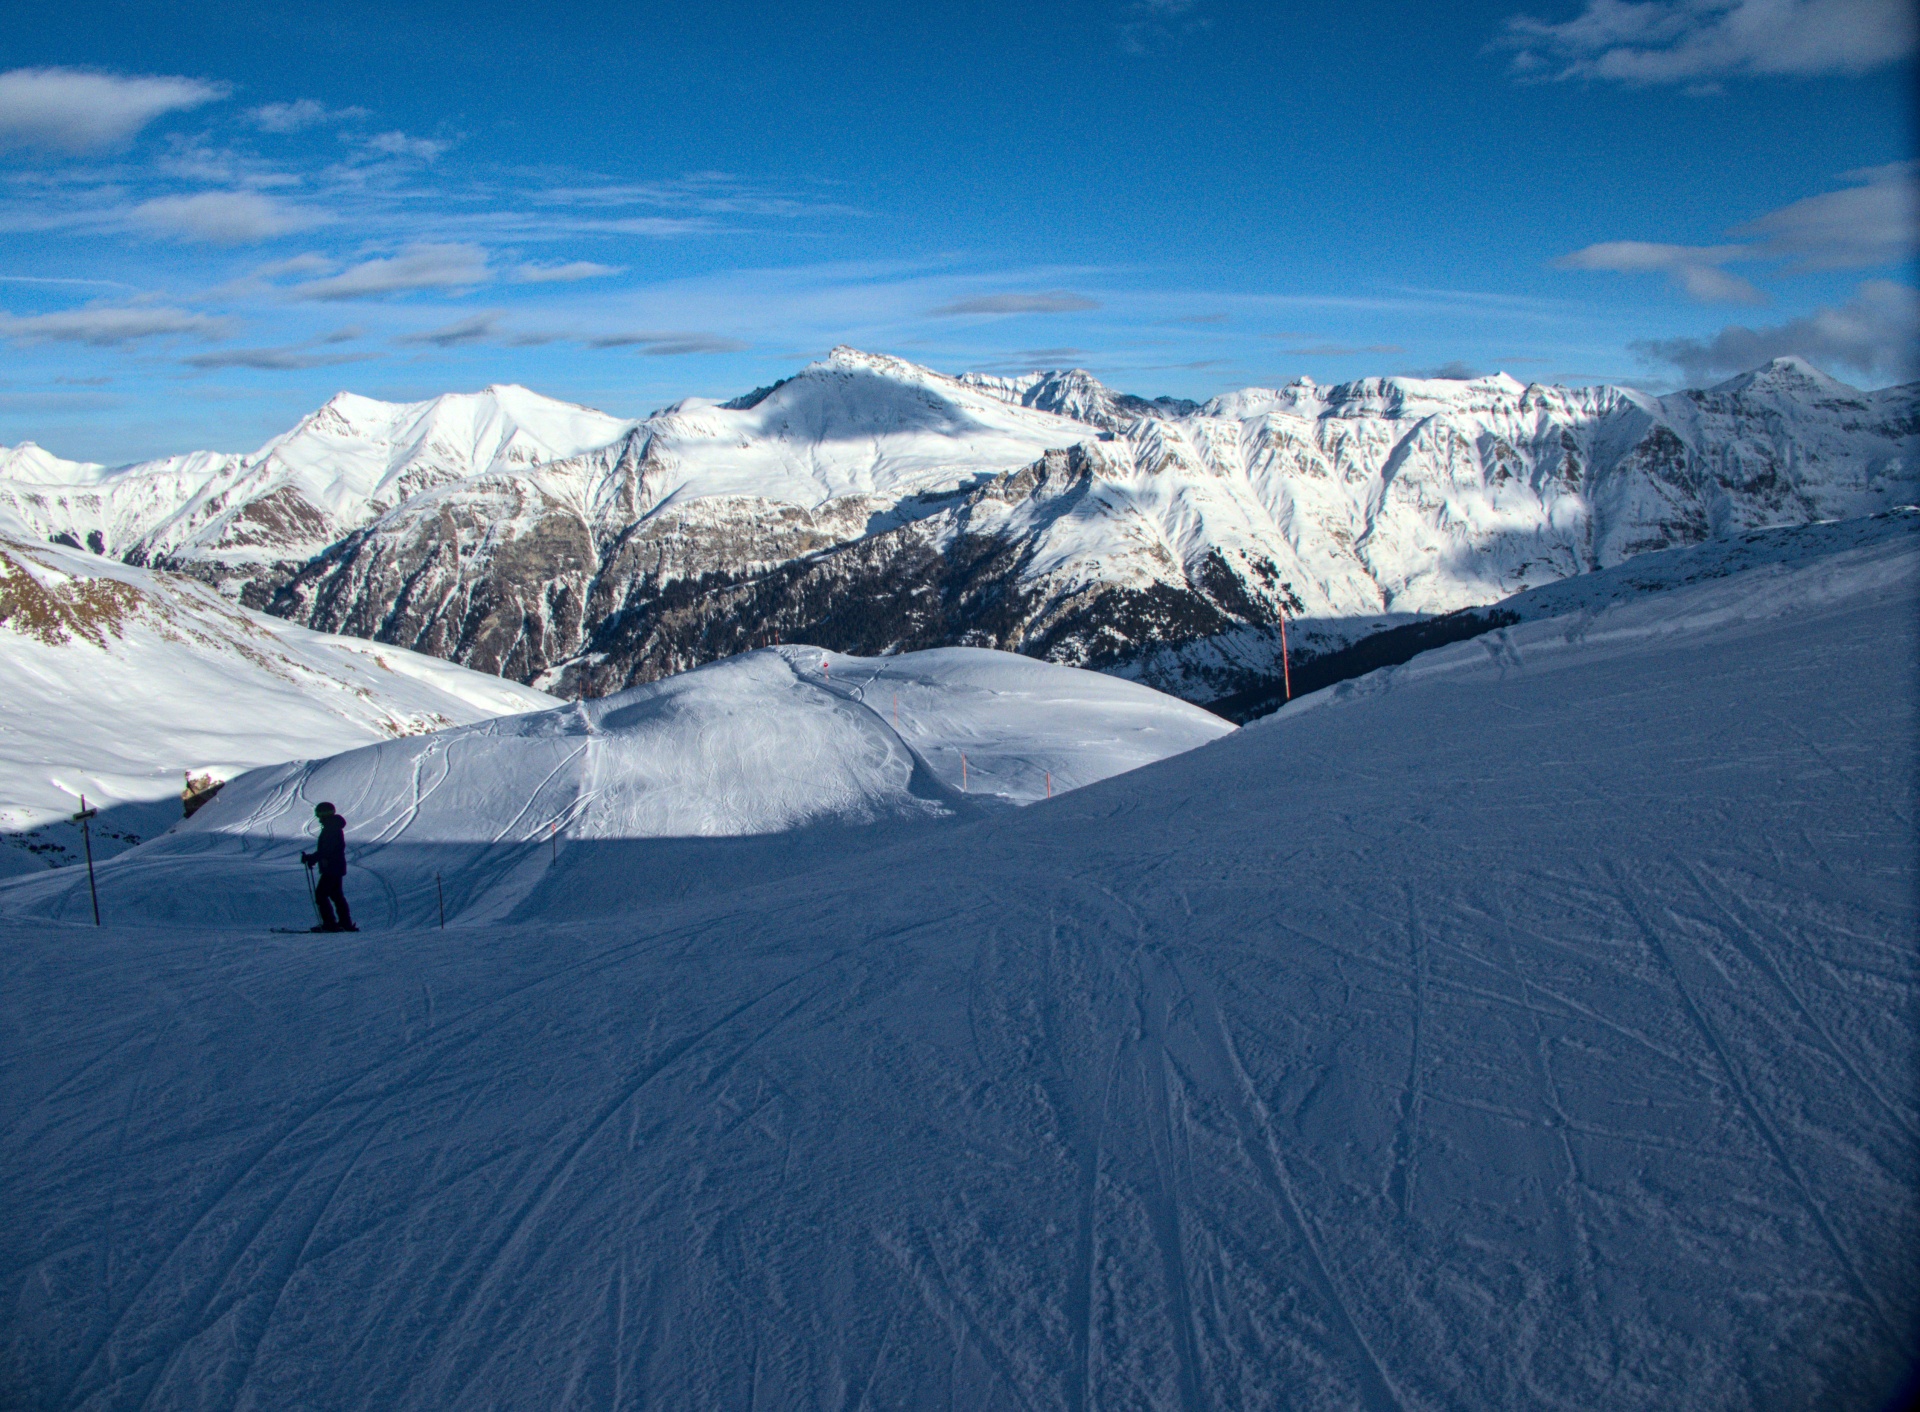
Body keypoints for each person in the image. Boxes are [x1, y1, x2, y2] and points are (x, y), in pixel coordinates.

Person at [301, 801, 357, 932]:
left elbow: (327, 850)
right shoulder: (332, 827)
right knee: (336, 895)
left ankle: (330, 924)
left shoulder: (331, 829)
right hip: (335, 866)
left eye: (319, 814)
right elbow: (327, 850)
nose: (318, 817)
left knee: (321, 894)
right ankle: (345, 923)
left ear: (324, 814)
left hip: (332, 867)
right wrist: (313, 858)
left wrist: (312, 858)